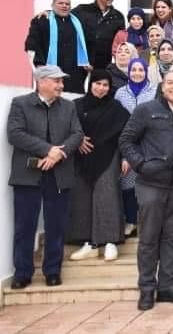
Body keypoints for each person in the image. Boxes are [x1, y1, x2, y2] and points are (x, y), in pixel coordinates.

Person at [119, 70, 173, 311]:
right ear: (162, 87)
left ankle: (167, 286)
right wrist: (141, 165)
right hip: (151, 185)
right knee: (148, 238)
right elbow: (126, 140)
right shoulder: (146, 110)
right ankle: (147, 288)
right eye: (170, 83)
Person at [7, 65, 84, 289]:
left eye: (61, 81)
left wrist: (59, 153)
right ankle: (22, 273)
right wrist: (48, 149)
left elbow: (77, 134)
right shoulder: (20, 103)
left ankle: (52, 271)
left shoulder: (68, 106)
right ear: (41, 82)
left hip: (59, 175)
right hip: (28, 175)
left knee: (56, 226)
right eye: (56, 81)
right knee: (24, 226)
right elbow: (15, 134)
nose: (61, 85)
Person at [66, 69, 130, 262]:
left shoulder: (116, 108)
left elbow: (127, 134)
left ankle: (110, 242)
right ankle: (89, 244)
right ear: (90, 84)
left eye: (105, 85)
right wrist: (77, 140)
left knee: (107, 197)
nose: (101, 88)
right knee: (83, 199)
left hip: (108, 157)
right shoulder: (76, 105)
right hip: (82, 159)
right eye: (97, 84)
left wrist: (126, 157)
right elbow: (66, 128)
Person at [115, 59, 158, 238]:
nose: (137, 73)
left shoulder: (155, 91)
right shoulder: (120, 93)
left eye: (141, 70)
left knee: (149, 187)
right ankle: (131, 221)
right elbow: (117, 123)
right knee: (128, 184)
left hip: (149, 145)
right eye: (134, 70)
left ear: (146, 72)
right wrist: (124, 156)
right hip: (128, 145)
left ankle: (148, 223)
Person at [25, 0, 91, 94]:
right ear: (52, 5)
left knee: (74, 100)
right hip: (49, 71)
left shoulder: (78, 22)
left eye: (67, 4)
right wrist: (40, 65)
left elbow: (90, 42)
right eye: (60, 3)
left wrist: (88, 62)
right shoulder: (42, 20)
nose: (64, 6)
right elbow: (33, 44)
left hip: (74, 74)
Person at [71, 0, 125, 71]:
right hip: (80, 63)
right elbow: (65, 18)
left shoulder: (118, 16)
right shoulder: (82, 10)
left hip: (103, 65)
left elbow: (120, 42)